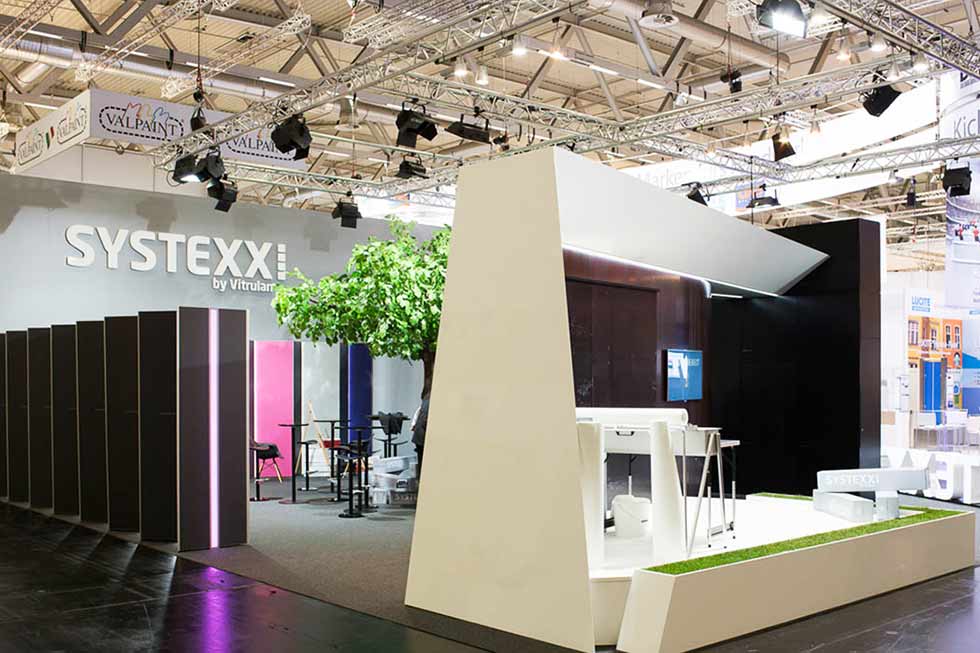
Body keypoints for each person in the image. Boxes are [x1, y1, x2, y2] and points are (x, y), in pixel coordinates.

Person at [411, 394, 430, 479]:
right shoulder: (430, 402)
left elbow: (417, 415)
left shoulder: (426, 400)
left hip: (419, 435)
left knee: (421, 463)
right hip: (422, 436)